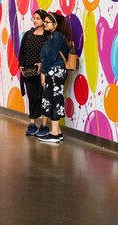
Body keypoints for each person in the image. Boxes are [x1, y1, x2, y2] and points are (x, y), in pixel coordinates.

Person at [38, 12, 73, 143]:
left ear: (55, 24)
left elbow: (51, 56)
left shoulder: (57, 36)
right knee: (53, 97)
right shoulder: (52, 36)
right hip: (53, 71)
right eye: (45, 21)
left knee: (54, 99)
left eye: (47, 22)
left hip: (55, 71)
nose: (44, 24)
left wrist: (43, 71)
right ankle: (57, 131)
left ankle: (54, 133)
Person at [18, 9, 48, 136]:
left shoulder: (48, 36)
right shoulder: (28, 34)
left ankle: (44, 125)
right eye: (34, 18)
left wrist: (43, 64)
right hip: (29, 72)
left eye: (38, 18)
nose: (35, 20)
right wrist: (21, 65)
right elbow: (22, 51)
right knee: (32, 97)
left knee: (44, 97)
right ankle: (32, 124)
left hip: (43, 72)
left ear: (43, 20)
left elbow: (50, 53)